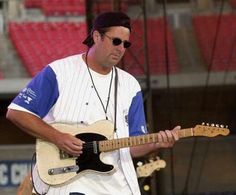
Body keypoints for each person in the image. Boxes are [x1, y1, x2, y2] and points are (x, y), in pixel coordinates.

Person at [6, 11, 180, 195]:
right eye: (116, 41)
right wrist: (58, 137)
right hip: (69, 183)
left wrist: (156, 143)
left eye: (125, 44)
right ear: (97, 36)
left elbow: (133, 146)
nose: (121, 48)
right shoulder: (59, 71)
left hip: (118, 186)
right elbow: (17, 112)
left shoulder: (130, 85)